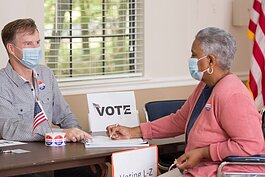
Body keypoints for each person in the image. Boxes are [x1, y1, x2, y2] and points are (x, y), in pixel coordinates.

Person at [106, 27, 265, 176]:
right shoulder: (206, 85)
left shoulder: (234, 95)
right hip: (196, 170)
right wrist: (133, 131)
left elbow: (250, 145)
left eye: (194, 55)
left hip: (216, 172)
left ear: (210, 61)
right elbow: (179, 120)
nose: (191, 60)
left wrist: (204, 152)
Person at [0, 18, 107, 177]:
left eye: (37, 42)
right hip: (21, 162)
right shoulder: (2, 82)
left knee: (90, 171)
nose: (36, 48)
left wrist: (79, 139)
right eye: (29, 44)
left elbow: (64, 115)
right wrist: (58, 133)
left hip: (55, 156)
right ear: (11, 48)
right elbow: (9, 128)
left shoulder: (45, 74)